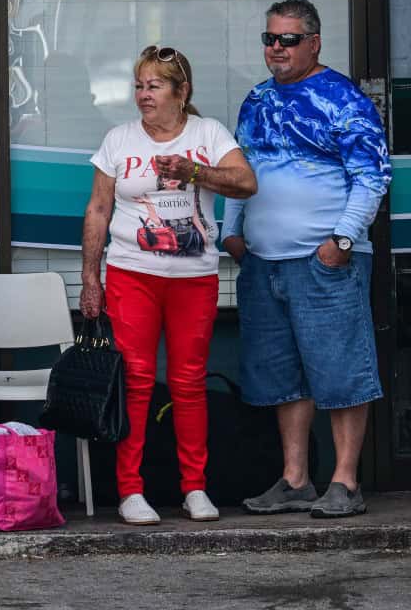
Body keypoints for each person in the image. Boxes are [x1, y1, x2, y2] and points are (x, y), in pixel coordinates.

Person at [222, 0, 392, 518]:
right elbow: (241, 171)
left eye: (288, 39)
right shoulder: (256, 100)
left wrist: (341, 242)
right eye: (270, 39)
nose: (277, 48)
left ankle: (346, 481)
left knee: (341, 372)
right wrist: (231, 232)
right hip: (264, 262)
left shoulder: (344, 99)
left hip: (323, 263)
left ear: (314, 43)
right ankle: (296, 480)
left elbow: (372, 178)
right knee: (283, 377)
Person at [80, 45, 257, 525]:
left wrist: (194, 171)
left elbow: (246, 182)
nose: (143, 95)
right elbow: (98, 209)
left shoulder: (207, 133)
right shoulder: (119, 140)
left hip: (193, 278)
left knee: (189, 382)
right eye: (139, 86)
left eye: (154, 86)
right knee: (136, 380)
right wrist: (90, 278)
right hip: (132, 274)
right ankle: (130, 490)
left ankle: (194, 487)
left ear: (182, 92)